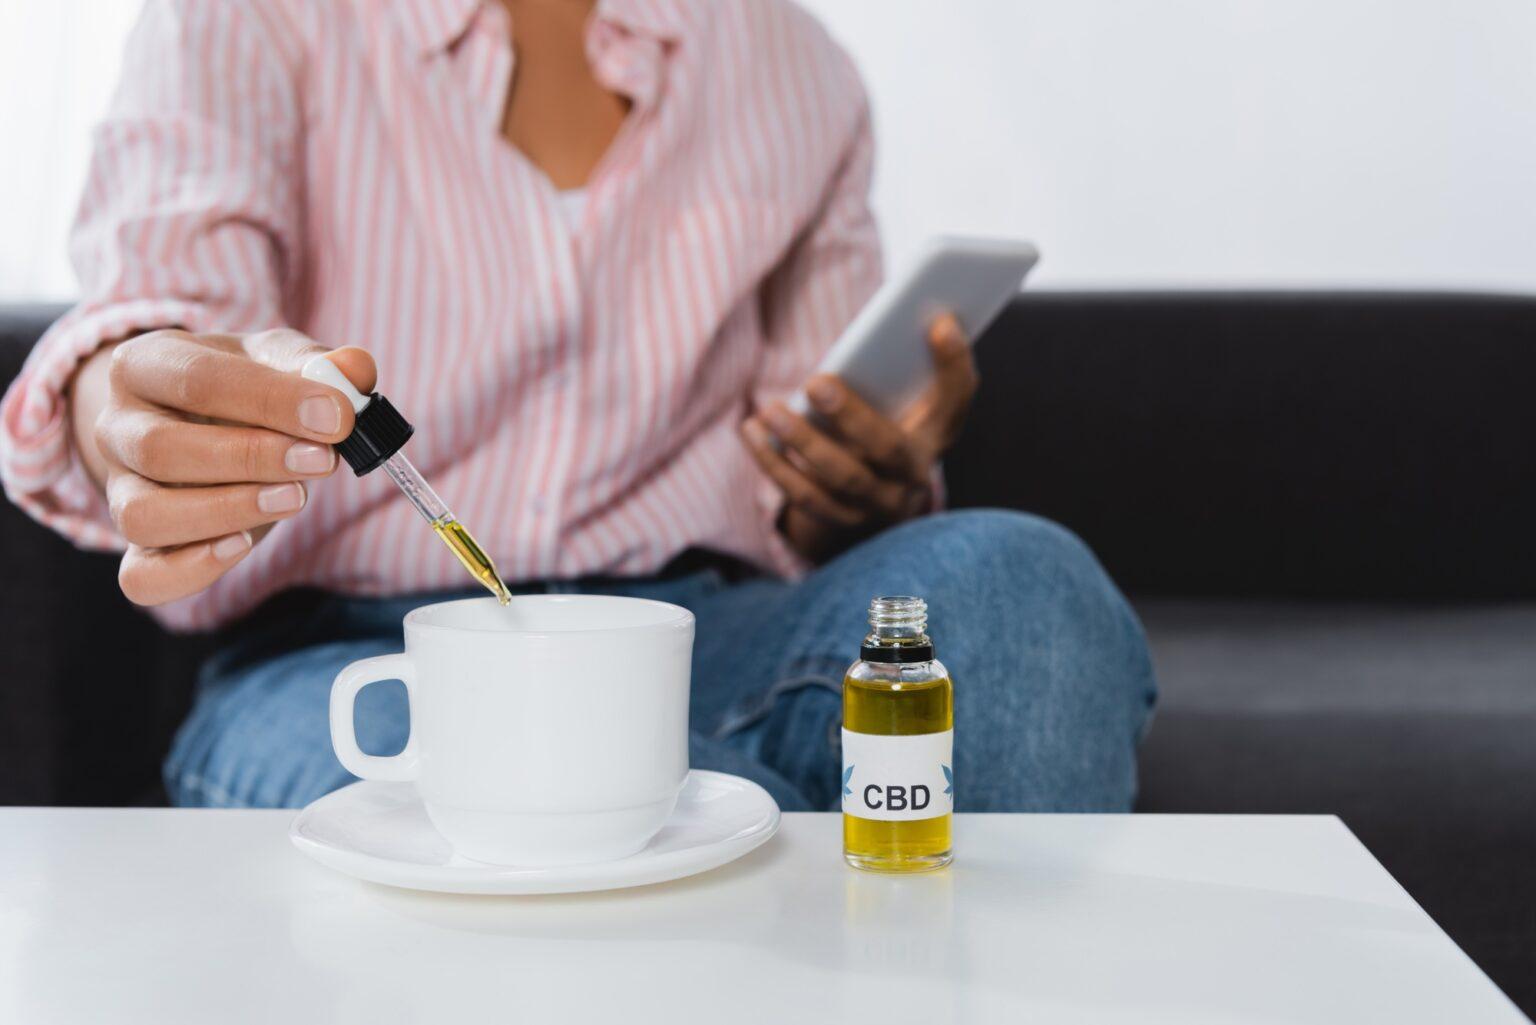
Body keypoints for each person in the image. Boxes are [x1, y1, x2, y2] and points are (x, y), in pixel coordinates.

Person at [0, 0, 1155, 813]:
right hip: (359, 662)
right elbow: (167, 323)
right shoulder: (243, 19)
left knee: (1025, 588)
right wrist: (130, 407)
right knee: (681, 822)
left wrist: (863, 484)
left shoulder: (795, 66)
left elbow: (797, 479)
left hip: (702, 633)